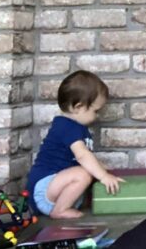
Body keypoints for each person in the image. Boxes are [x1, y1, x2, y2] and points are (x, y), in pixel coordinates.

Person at [26, 70, 125, 218]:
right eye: (96, 111)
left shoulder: (77, 128)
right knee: (83, 173)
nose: (97, 116)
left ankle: (65, 205)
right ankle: (59, 210)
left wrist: (106, 171)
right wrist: (103, 176)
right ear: (78, 107)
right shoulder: (66, 127)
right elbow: (82, 156)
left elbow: (88, 158)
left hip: (56, 187)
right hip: (44, 188)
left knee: (89, 171)